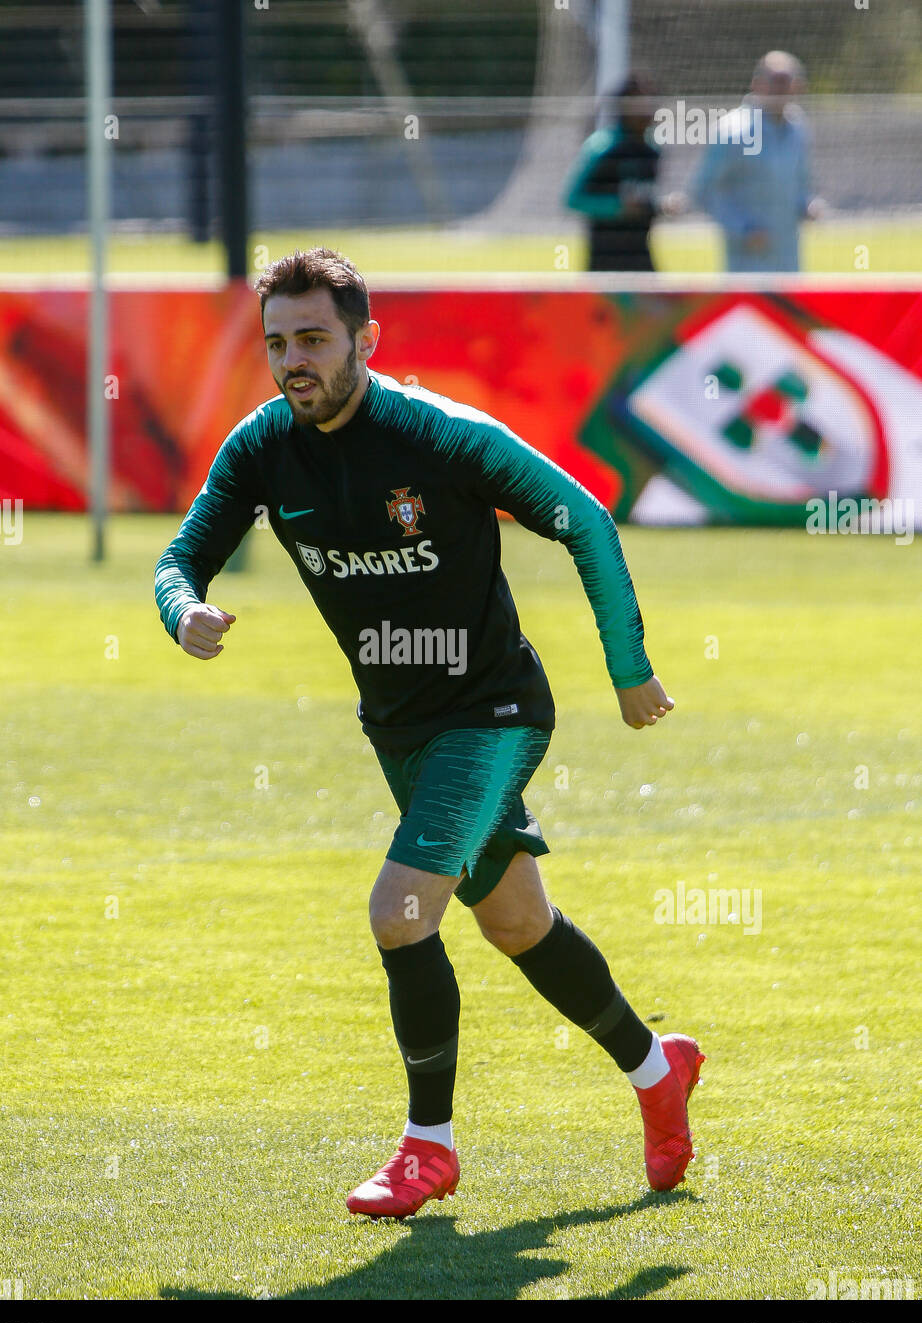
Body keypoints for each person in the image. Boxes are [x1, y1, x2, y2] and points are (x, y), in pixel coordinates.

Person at [154, 247, 704, 1220]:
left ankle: (428, 1149)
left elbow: (582, 517)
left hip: (493, 714)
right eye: (278, 341)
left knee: (399, 909)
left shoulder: (441, 438)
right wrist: (183, 609)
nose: (293, 361)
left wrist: (629, 669)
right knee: (516, 924)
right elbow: (181, 556)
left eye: (315, 338)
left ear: (366, 339)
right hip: (397, 730)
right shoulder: (261, 448)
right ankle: (658, 1068)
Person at [692, 51, 823, 272]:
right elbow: (705, 191)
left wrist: (807, 205)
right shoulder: (732, 132)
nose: (782, 90)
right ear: (758, 84)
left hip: (788, 261)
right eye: (776, 82)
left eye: (787, 82)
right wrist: (743, 228)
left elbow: (802, 182)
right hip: (747, 265)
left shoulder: (799, 129)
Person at [563, 72, 675, 272]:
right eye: (639, 103)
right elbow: (572, 199)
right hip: (605, 260)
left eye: (650, 102)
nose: (646, 110)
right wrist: (617, 207)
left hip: (642, 258)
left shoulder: (652, 150)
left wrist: (660, 207)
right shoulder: (603, 147)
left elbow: (642, 198)